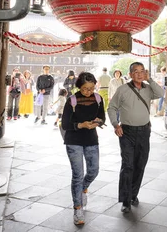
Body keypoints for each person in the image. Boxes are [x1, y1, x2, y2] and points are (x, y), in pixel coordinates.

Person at [107, 62, 164, 213]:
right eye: (136, 72)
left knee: (140, 164)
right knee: (128, 165)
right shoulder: (123, 90)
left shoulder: (148, 89)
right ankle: (126, 200)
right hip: (127, 132)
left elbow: (161, 94)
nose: (139, 74)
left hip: (144, 132)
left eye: (142, 71)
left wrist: (150, 79)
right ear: (131, 74)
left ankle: (133, 194)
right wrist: (115, 124)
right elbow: (112, 107)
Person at [61, 72, 105, 225]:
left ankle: (83, 188)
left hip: (91, 139)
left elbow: (102, 117)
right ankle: (77, 208)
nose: (89, 92)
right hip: (74, 141)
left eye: (92, 88)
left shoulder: (98, 99)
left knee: (94, 170)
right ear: (79, 87)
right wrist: (81, 125)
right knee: (78, 175)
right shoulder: (71, 100)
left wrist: (98, 122)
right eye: (86, 89)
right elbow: (65, 124)